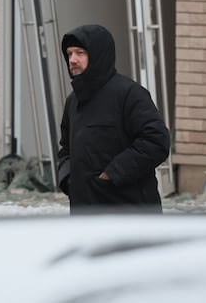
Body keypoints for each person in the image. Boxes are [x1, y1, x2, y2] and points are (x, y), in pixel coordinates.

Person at [57, 24, 170, 213]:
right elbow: (66, 149)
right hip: (85, 215)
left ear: (99, 55)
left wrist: (112, 174)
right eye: (69, 54)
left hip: (130, 214)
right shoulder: (73, 101)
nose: (73, 60)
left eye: (80, 53)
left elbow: (156, 141)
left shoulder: (129, 94)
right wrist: (69, 179)